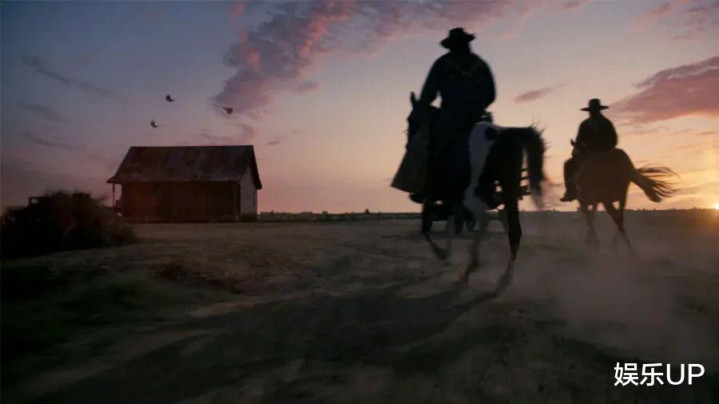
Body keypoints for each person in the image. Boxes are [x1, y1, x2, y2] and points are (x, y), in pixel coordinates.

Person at [416, 27, 496, 203]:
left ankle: (428, 186)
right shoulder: (480, 64)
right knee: (492, 146)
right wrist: (479, 105)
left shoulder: (442, 64)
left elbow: (429, 92)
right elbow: (491, 94)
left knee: (431, 144)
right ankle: (489, 186)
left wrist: (423, 105)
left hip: (450, 115)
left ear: (451, 46)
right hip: (478, 116)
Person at [561, 98, 618, 202]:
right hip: (606, 152)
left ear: (590, 111)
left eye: (592, 111)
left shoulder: (585, 124)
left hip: (590, 154)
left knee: (568, 165)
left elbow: (579, 141)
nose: (592, 113)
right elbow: (614, 140)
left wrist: (578, 145)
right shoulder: (606, 123)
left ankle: (571, 192)